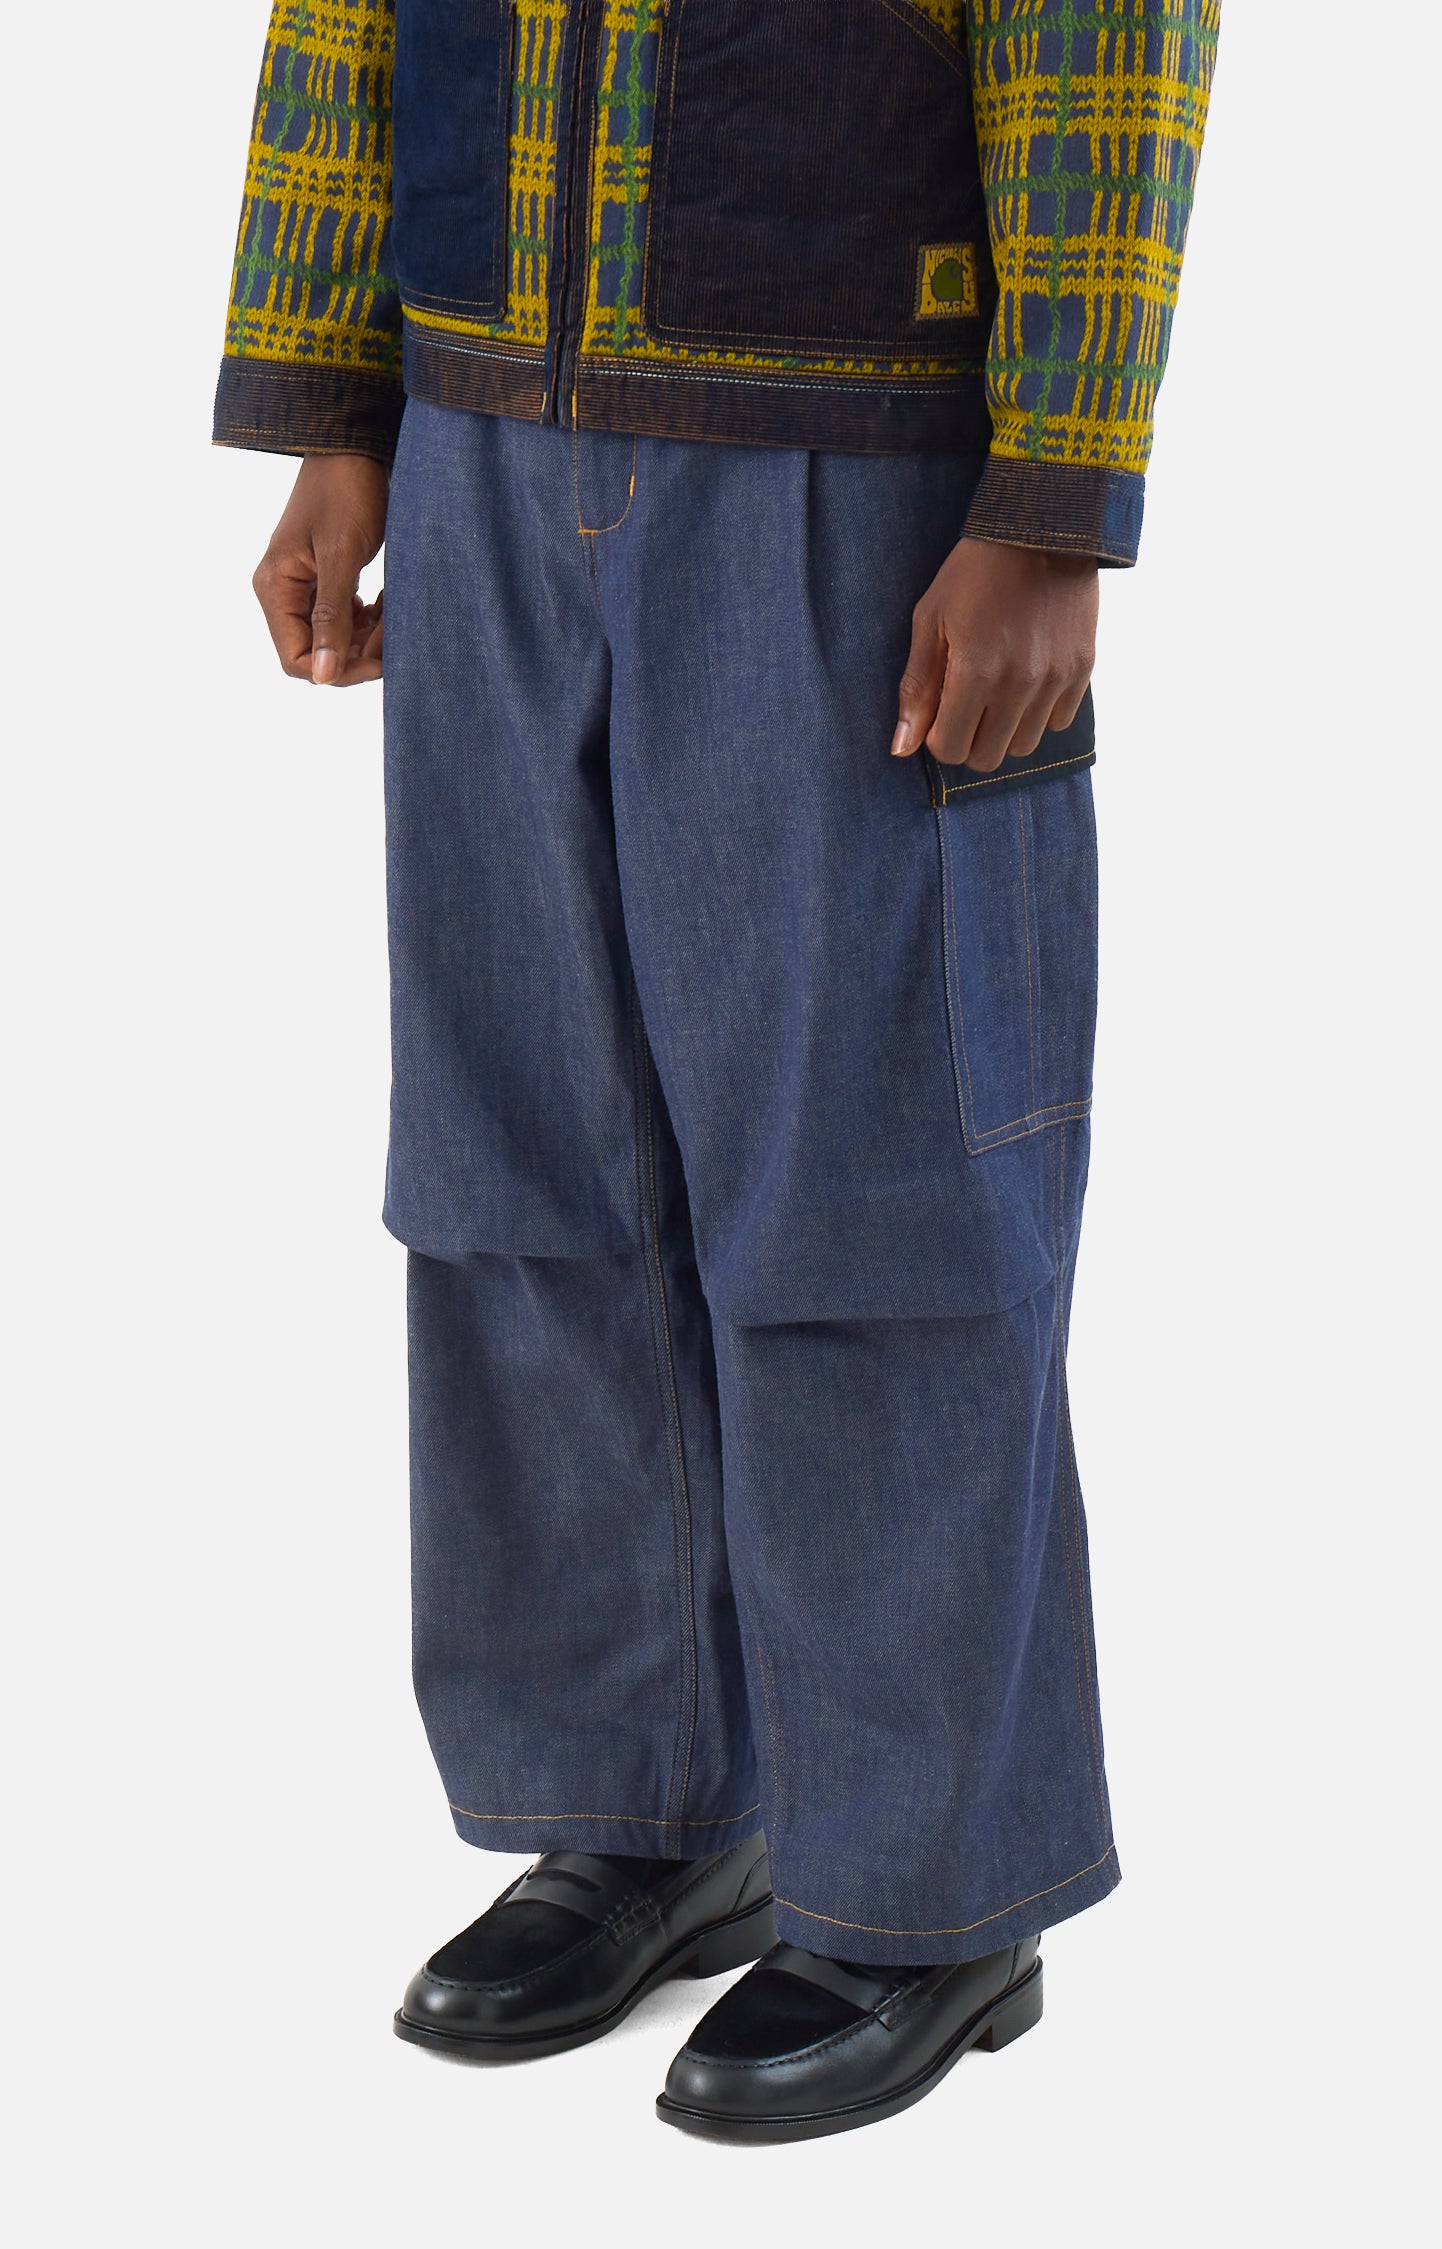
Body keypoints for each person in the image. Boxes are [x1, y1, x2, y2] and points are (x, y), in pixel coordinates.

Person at [215, 0, 1218, 2143]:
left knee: (874, 1171)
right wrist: (334, 401)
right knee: (522, 1162)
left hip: (853, 446)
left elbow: (1104, 35)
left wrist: (1054, 493)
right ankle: (647, 1806)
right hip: (484, 423)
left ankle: (934, 1888)